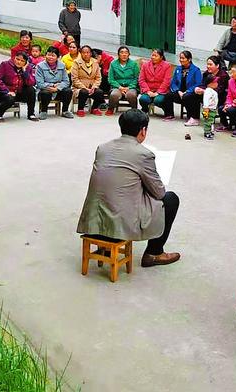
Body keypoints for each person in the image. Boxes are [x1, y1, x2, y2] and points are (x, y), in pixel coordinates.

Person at [76, 109, 180, 268]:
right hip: (121, 223)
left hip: (94, 220)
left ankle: (105, 245)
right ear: (143, 131)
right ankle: (154, 252)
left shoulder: (102, 148)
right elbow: (159, 192)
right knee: (170, 199)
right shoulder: (143, 154)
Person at [0, 51, 38, 121]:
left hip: (18, 92)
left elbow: (31, 83)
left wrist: (24, 71)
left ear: (26, 62)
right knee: (10, 98)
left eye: (22, 61)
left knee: (31, 90)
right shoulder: (5, 64)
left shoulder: (28, 67)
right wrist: (7, 91)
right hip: (4, 92)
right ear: (14, 58)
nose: (19, 62)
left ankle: (31, 114)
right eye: (17, 59)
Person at [34, 46, 74, 119]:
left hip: (58, 90)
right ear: (45, 55)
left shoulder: (62, 65)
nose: (50, 57)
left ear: (57, 57)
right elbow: (39, 83)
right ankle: (43, 111)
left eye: (53, 55)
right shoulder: (40, 66)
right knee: (45, 93)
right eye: (48, 55)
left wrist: (58, 88)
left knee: (68, 91)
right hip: (45, 90)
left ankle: (65, 111)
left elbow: (66, 81)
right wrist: (52, 85)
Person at [188, 56, 228, 127]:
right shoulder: (206, 73)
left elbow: (220, 90)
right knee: (192, 95)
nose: (208, 66)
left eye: (210, 64)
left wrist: (205, 91)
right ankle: (195, 118)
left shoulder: (223, 75)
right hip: (206, 95)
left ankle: (210, 122)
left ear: (217, 66)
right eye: (207, 64)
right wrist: (198, 89)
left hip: (219, 97)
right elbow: (203, 84)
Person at [163, 51, 202, 122]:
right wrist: (178, 91)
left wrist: (187, 91)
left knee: (187, 96)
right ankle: (169, 115)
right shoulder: (178, 69)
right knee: (168, 95)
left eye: (183, 58)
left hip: (190, 93)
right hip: (180, 93)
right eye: (180, 58)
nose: (181, 60)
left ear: (189, 59)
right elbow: (173, 82)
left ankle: (192, 117)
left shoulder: (196, 70)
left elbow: (198, 84)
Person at [71, 45, 105, 116]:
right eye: (83, 52)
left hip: (92, 87)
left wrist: (94, 87)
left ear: (91, 53)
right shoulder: (76, 62)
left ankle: (94, 108)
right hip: (79, 87)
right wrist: (84, 87)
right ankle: (80, 109)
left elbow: (98, 78)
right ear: (81, 53)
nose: (86, 54)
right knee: (84, 92)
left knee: (100, 92)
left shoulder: (95, 63)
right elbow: (74, 79)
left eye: (88, 52)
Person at [106, 46, 139, 114]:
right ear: (118, 54)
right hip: (117, 87)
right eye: (122, 52)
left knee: (131, 95)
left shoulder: (134, 64)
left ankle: (134, 110)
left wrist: (129, 87)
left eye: (126, 53)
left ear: (129, 54)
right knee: (114, 95)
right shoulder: (113, 64)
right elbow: (111, 79)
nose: (124, 54)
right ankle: (110, 109)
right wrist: (119, 87)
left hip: (130, 87)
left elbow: (136, 78)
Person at [138, 49, 172, 115]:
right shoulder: (145, 65)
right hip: (148, 90)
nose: (153, 57)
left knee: (158, 100)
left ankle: (166, 110)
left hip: (161, 91)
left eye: (156, 56)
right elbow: (141, 80)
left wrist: (158, 92)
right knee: (143, 99)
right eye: (152, 55)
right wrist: (148, 91)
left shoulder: (167, 66)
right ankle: (145, 109)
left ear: (161, 57)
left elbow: (166, 81)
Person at [201, 73, 219, 140]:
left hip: (212, 109)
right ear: (210, 83)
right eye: (215, 82)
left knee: (211, 121)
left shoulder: (212, 91)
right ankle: (207, 132)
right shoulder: (208, 91)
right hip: (208, 109)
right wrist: (206, 108)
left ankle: (209, 131)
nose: (217, 83)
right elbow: (206, 100)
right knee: (208, 121)